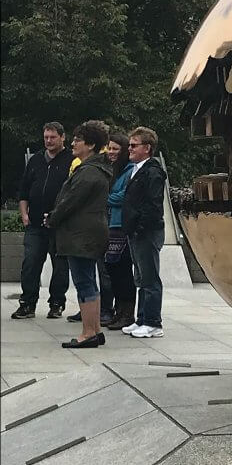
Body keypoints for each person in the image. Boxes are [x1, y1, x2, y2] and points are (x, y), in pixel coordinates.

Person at [46, 120, 112, 348]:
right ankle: (95, 330)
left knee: (84, 283)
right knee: (88, 282)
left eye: (78, 140)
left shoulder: (89, 172)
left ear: (91, 145)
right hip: (87, 232)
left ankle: (88, 333)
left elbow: (70, 202)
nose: (73, 143)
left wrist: (52, 219)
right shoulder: (95, 169)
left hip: (81, 234)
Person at [12, 122, 73, 320]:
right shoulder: (36, 159)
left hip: (60, 224)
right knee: (30, 263)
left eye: (52, 137)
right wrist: (24, 214)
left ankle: (57, 303)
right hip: (35, 223)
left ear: (62, 137)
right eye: (46, 137)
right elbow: (24, 189)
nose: (48, 141)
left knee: (61, 266)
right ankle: (27, 303)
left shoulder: (72, 160)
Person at [121, 127, 166, 339]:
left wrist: (140, 227)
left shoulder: (152, 171)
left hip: (146, 232)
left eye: (134, 145)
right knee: (140, 277)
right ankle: (141, 319)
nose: (129, 148)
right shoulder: (136, 169)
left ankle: (153, 322)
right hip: (136, 231)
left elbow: (153, 204)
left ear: (147, 148)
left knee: (149, 278)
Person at [104, 132, 137, 330]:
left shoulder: (131, 170)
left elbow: (123, 197)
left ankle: (128, 313)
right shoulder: (112, 169)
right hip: (109, 226)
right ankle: (118, 312)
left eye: (116, 148)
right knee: (112, 271)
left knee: (124, 271)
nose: (111, 152)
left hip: (122, 227)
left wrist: (104, 196)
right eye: (109, 148)